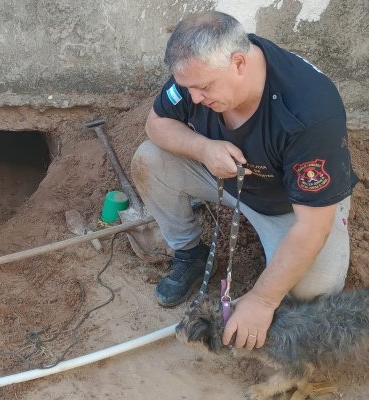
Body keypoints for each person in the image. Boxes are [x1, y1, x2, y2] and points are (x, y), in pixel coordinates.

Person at [131, 11, 356, 349]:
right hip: (223, 174)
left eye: (204, 88)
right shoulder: (198, 72)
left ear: (239, 63)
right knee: (149, 160)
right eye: (187, 87)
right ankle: (189, 252)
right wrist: (203, 148)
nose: (194, 99)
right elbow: (156, 124)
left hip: (289, 207)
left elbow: (313, 227)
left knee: (315, 290)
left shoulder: (309, 113)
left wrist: (262, 301)